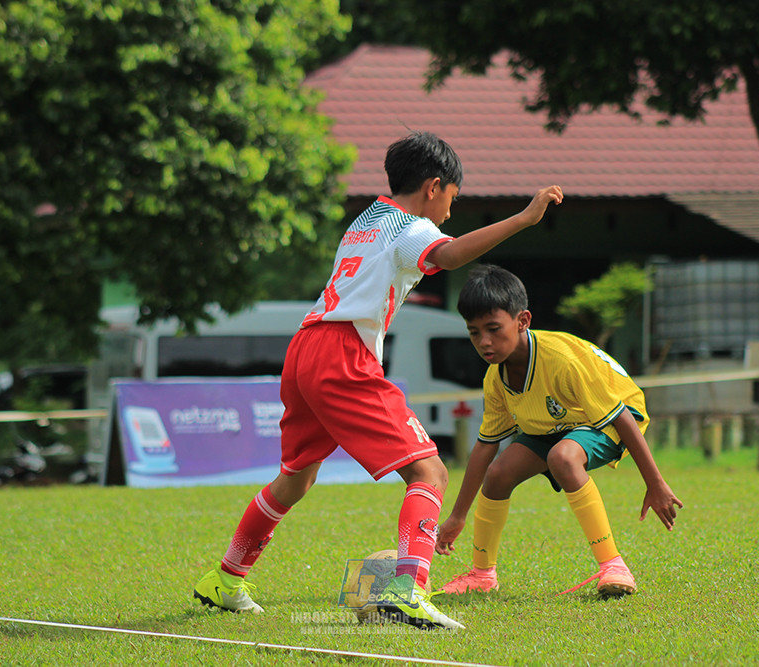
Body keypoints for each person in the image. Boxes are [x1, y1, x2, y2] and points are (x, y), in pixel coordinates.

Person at [192, 131, 563, 630]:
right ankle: (409, 592)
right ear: (434, 187)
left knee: (296, 477)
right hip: (342, 353)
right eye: (453, 197)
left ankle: (227, 581)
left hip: (305, 346)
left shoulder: (368, 219)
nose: (450, 212)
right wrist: (524, 218)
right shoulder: (410, 228)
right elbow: (450, 255)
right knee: (430, 473)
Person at [435, 264, 682, 598]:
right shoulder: (496, 378)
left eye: (493, 328)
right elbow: (484, 447)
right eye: (474, 332)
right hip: (554, 425)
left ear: (523, 320)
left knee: (563, 457)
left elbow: (621, 416)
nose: (484, 341)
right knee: (498, 474)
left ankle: (613, 567)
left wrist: (655, 483)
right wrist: (457, 516)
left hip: (611, 417)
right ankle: (482, 573)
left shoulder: (560, 360)